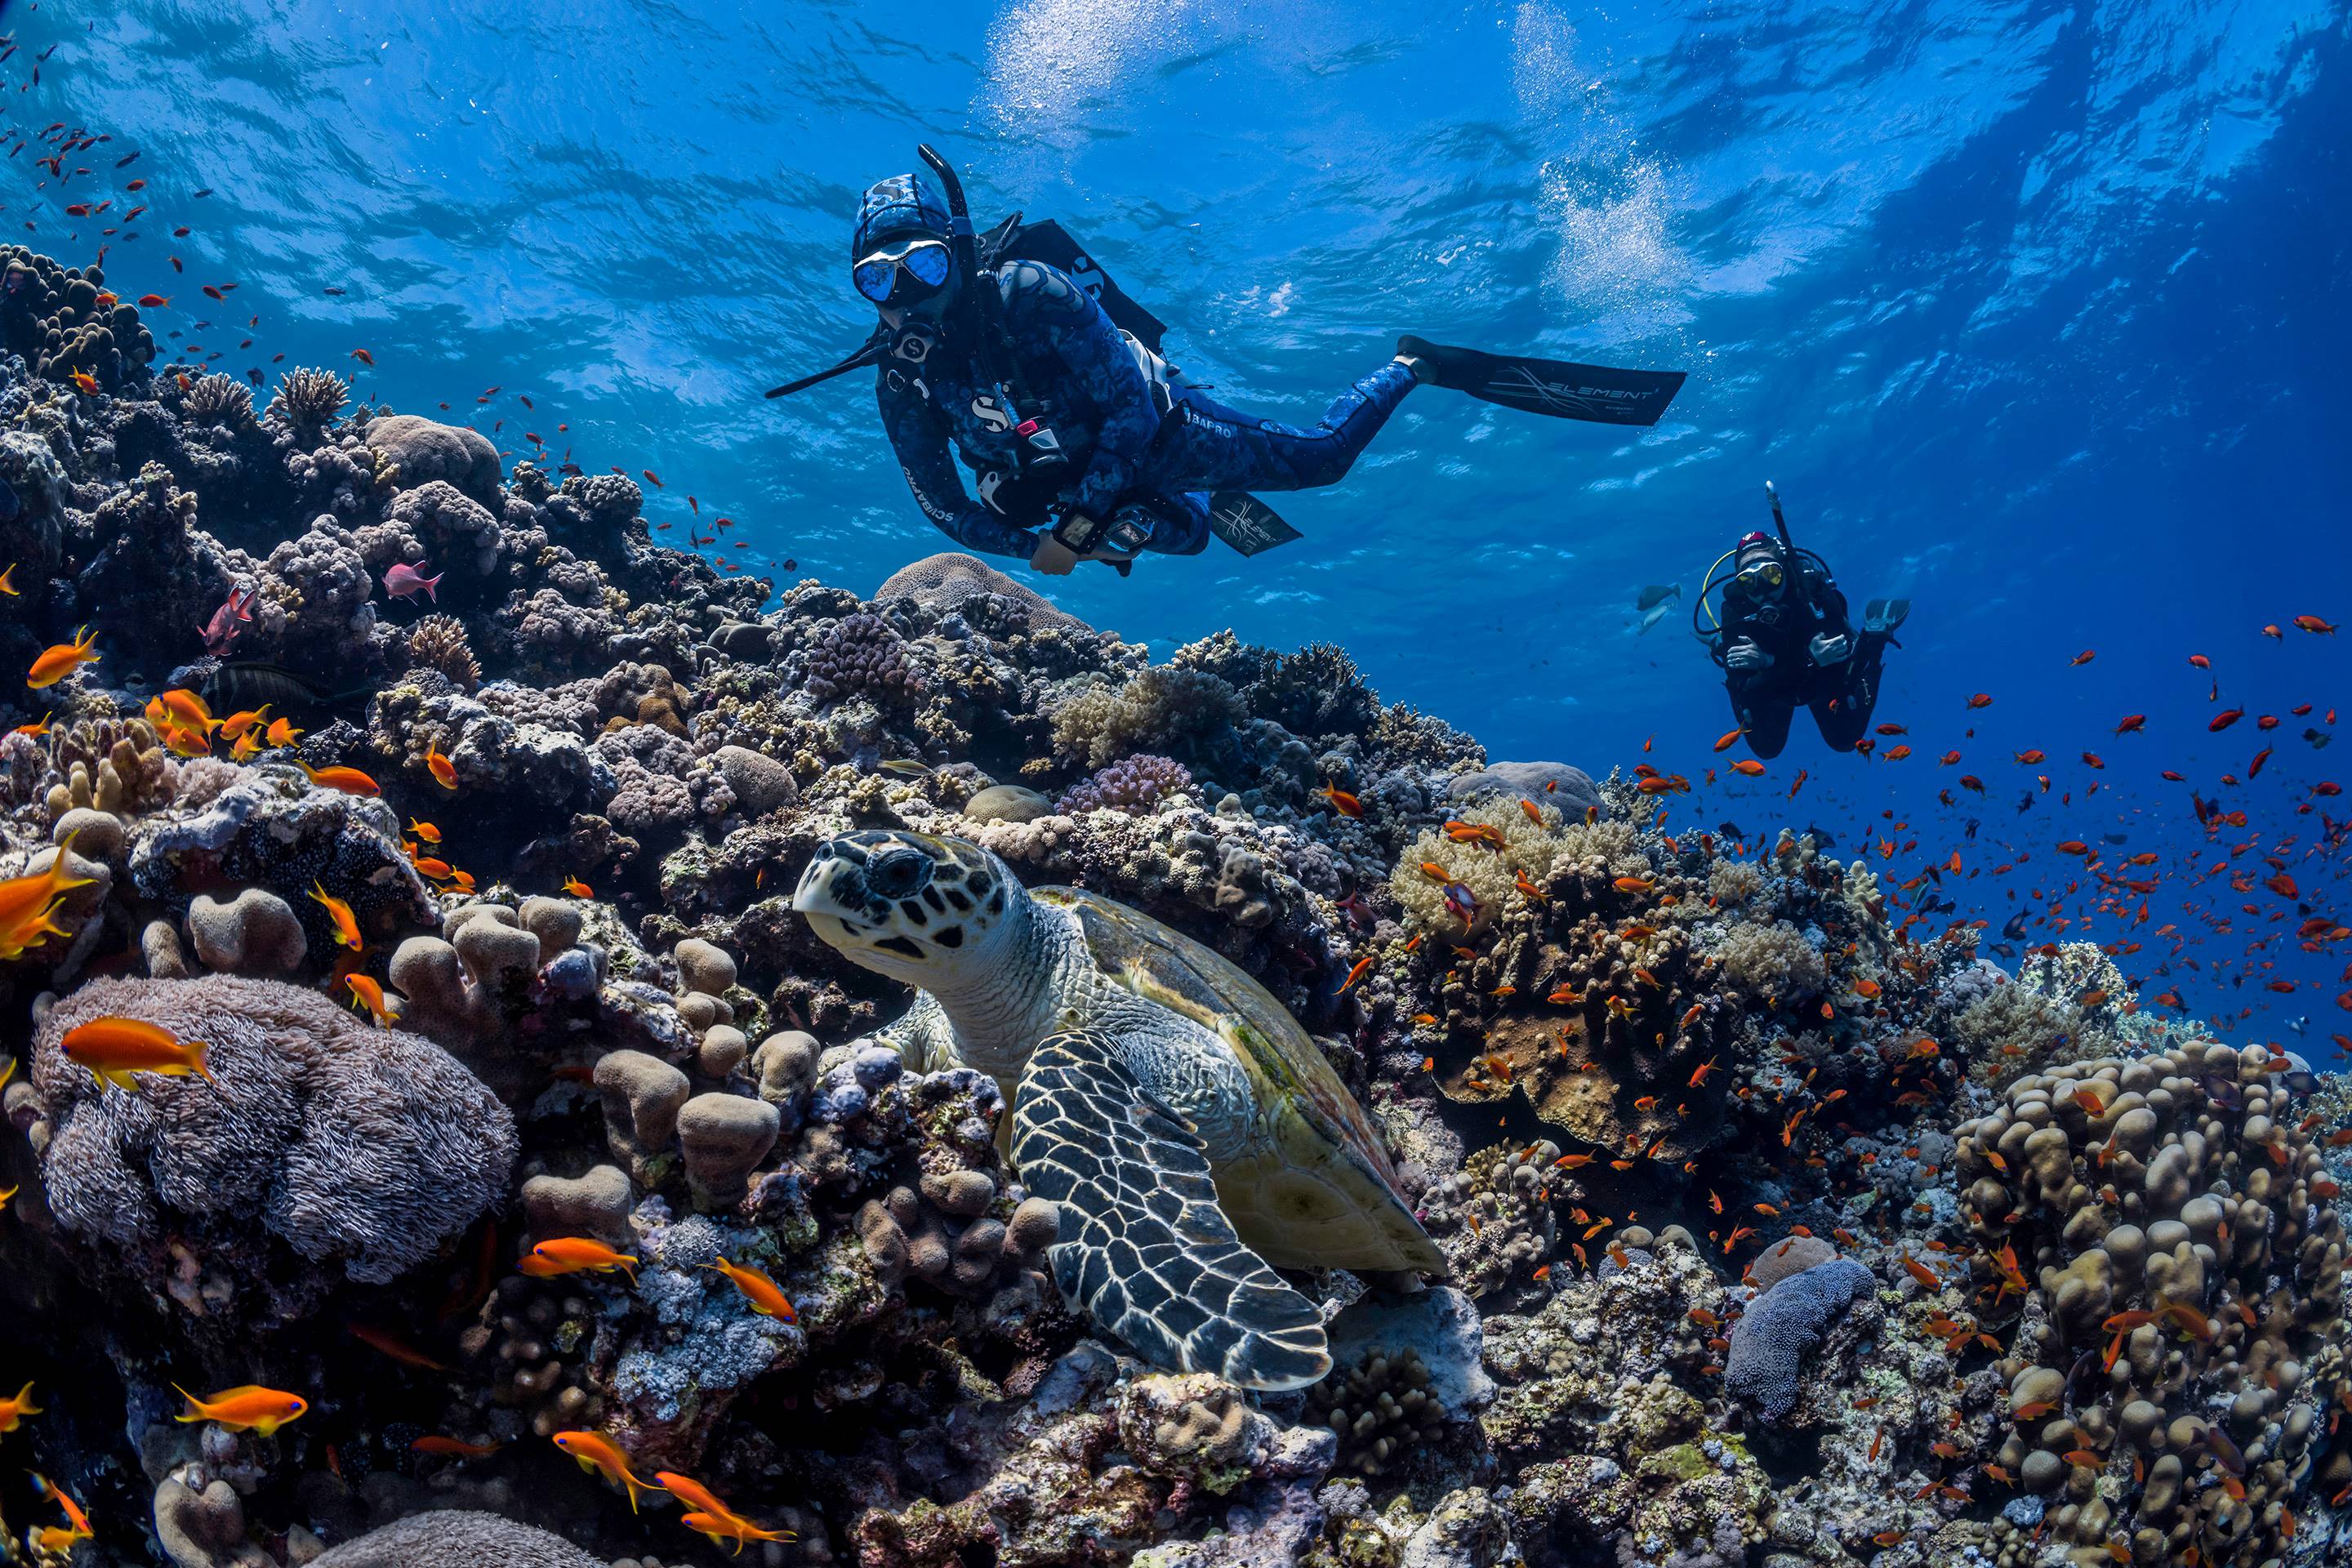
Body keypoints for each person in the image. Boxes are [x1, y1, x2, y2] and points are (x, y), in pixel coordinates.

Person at [846, 163, 1682, 576]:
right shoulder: (901, 379)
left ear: (954, 253)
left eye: (919, 267)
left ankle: (1411, 365)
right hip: (1051, 486)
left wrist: (1078, 525)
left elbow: (1134, 416)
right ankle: (1173, 512)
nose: (904, 297)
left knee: (1322, 462)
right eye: (877, 281)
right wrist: (1039, 544)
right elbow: (943, 507)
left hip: (1156, 432)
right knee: (1193, 540)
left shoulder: (1032, 291)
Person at [1705, 527, 1899, 758]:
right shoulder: (1735, 610)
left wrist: (1766, 662)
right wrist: (1811, 659)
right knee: (1766, 749)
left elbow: (1842, 668)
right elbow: (1747, 692)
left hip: (1817, 681)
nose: (1762, 591)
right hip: (1780, 688)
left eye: (1771, 576)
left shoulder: (1813, 592)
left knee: (1846, 740)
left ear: (1786, 571)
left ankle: (1873, 644)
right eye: (1749, 582)